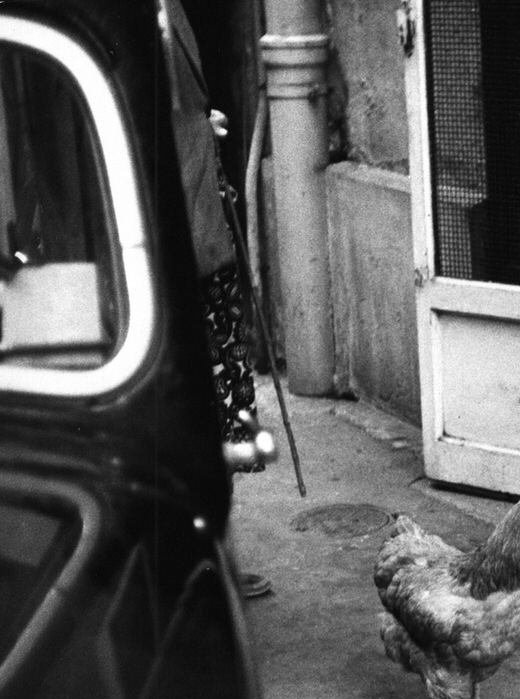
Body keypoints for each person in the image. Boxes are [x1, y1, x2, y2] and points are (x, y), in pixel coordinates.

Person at [162, 0, 270, 598]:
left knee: (220, 411)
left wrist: (206, 128)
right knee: (195, 412)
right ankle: (203, 565)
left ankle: (214, 557)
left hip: (204, 232)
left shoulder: (168, 10)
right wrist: (202, 132)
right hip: (182, 246)